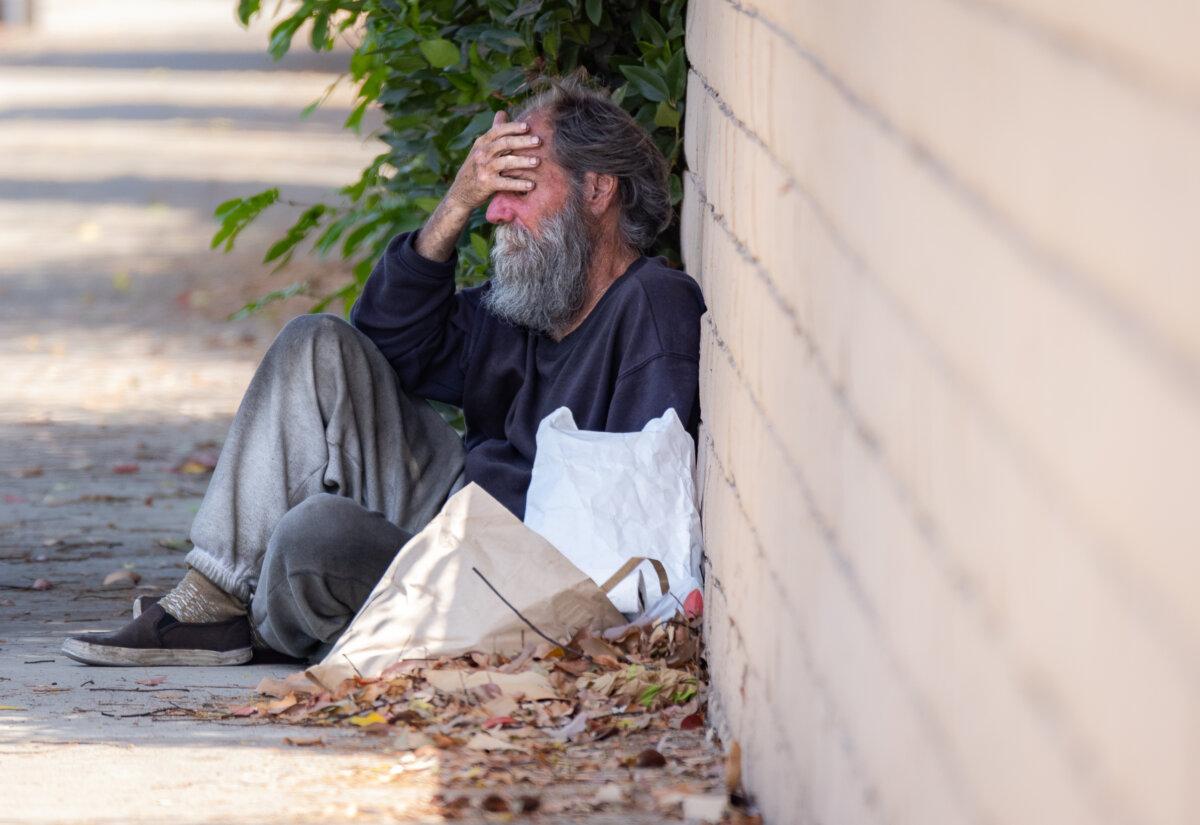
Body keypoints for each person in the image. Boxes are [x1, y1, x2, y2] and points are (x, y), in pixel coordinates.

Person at [61, 77, 706, 667]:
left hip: (516, 579)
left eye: (518, 189)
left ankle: (282, 620)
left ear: (598, 189)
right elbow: (387, 342)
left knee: (312, 539)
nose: (496, 213)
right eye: (490, 192)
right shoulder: (532, 308)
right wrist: (453, 205)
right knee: (315, 343)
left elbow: (625, 519)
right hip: (457, 519)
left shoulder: (650, 305)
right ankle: (210, 602)